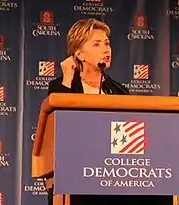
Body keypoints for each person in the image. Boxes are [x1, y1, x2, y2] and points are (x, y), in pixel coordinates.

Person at [46, 18, 172, 205]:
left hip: (116, 172)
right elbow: (60, 129)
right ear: (79, 54)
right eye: (96, 44)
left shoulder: (118, 90)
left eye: (107, 43)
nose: (106, 49)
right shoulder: (61, 85)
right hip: (78, 172)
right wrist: (67, 78)